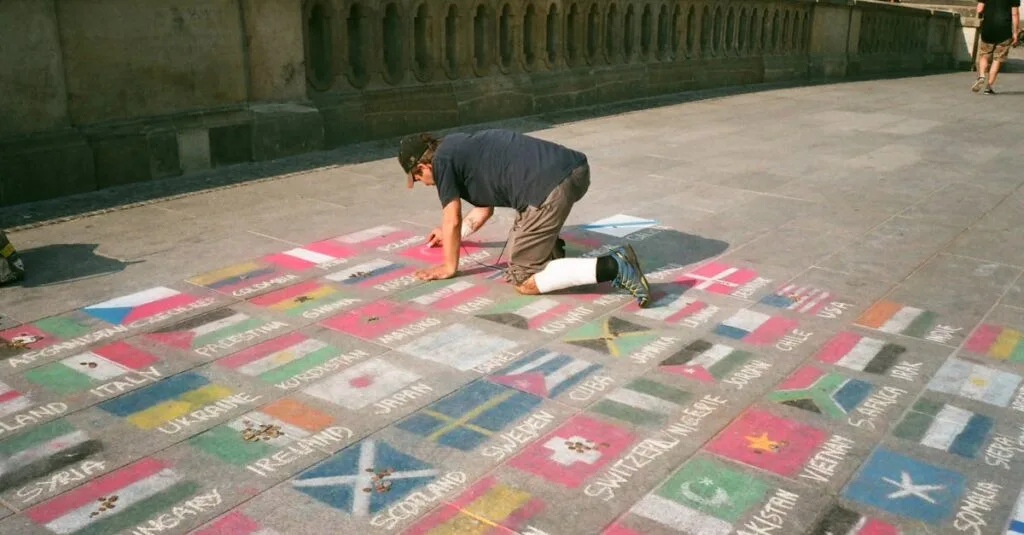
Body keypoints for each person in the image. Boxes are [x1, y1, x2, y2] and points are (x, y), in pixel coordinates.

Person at [397, 129, 651, 307]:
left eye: (418, 179)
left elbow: (451, 217)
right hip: (572, 170)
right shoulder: (455, 148)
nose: (424, 184)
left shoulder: (442, 163)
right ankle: (549, 250)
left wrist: (448, 267)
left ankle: (616, 265)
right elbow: (483, 210)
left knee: (522, 278)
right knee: (521, 249)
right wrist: (452, 236)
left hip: (550, 187)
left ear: (422, 167)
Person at [973, 0, 1020, 94]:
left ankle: (981, 76)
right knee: (997, 59)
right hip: (1004, 30)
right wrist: (1015, 33)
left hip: (988, 28)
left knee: (984, 54)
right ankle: (988, 87)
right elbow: (1015, 14)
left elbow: (979, 9)